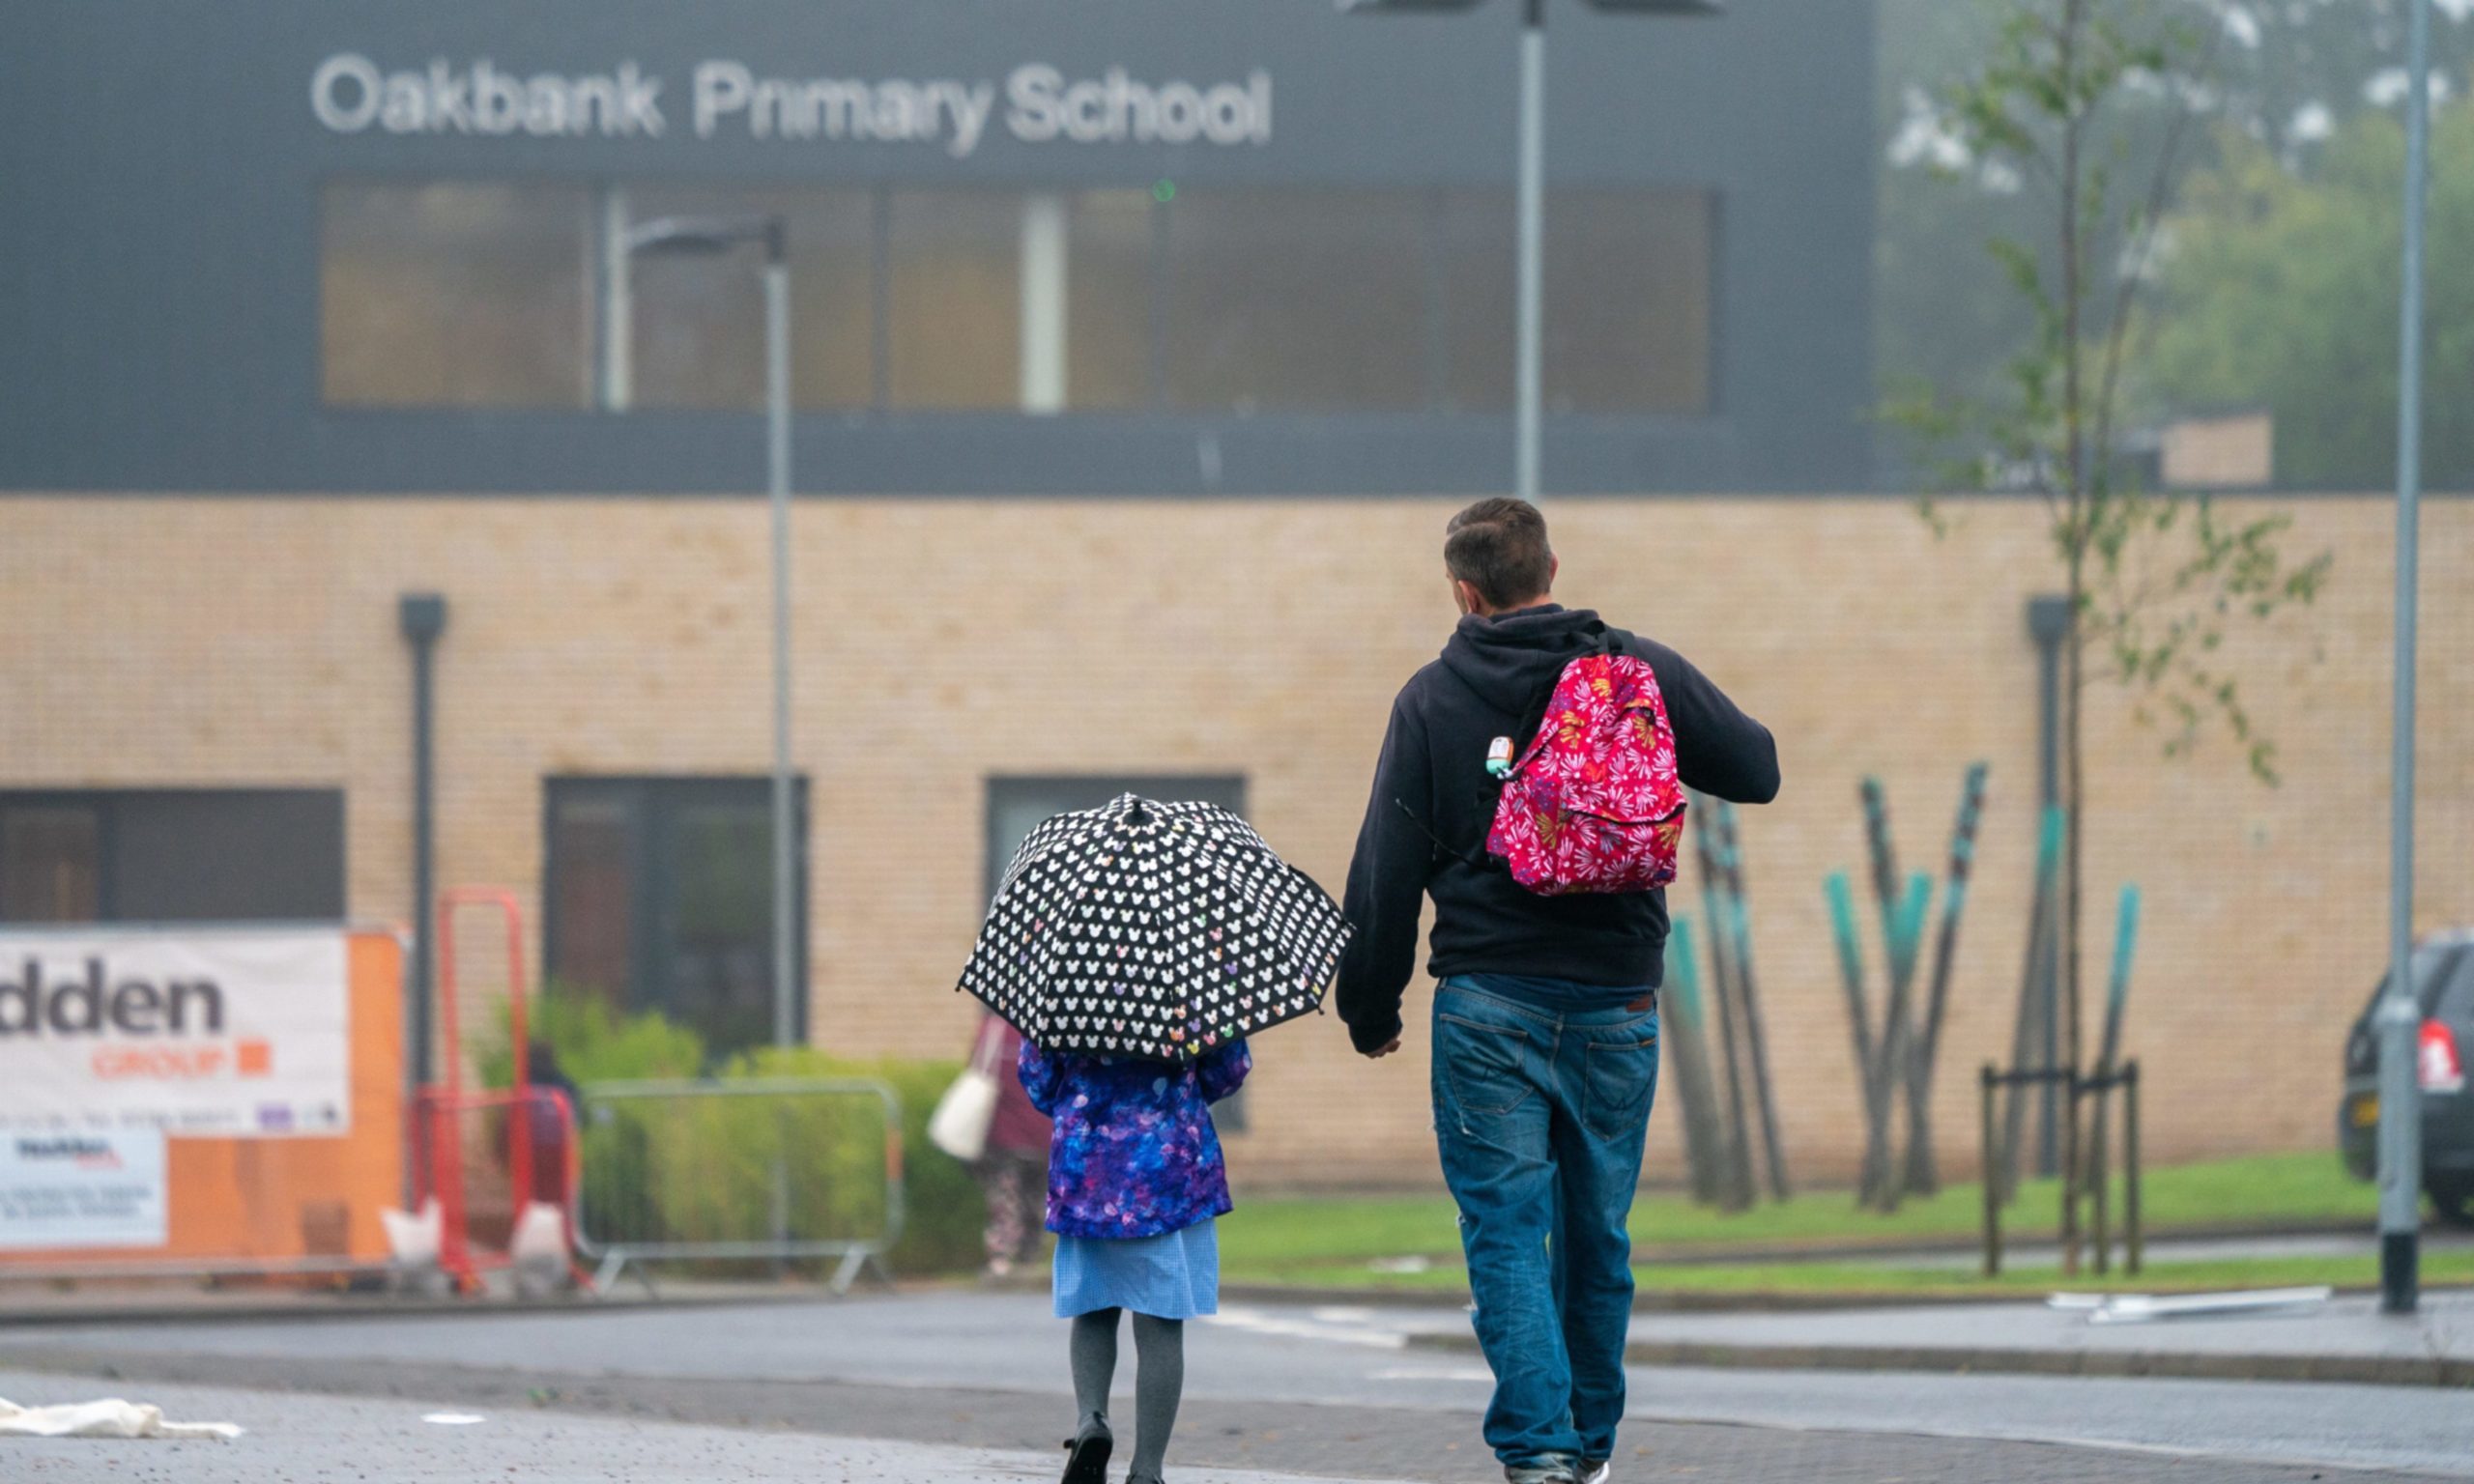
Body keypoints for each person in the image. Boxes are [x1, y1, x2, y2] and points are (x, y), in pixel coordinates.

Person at [1335, 497, 1779, 1484]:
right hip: (1616, 1001)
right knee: (1596, 1232)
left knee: (1504, 1228)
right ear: (1551, 569)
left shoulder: (1431, 701)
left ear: (1462, 588)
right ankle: (1589, 1446)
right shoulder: (1634, 670)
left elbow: (1385, 870)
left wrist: (1371, 1008)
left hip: (1487, 1002)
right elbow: (1756, 769)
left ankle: (1537, 1447)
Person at [1021, 1035, 1251, 1484]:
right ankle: (1147, 1470)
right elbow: (1228, 1069)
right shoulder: (1188, 979)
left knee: (1093, 1306)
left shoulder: (1071, 977)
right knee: (1161, 1319)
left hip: (1087, 1167)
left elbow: (1038, 1078)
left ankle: (1091, 1419)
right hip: (1166, 1172)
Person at [968, 1013, 1052, 1280]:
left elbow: (977, 1072)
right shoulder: (1047, 1029)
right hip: (1044, 1131)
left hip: (1006, 1133)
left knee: (1006, 1196)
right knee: (1036, 1195)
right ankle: (1030, 1253)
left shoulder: (995, 1029)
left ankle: (1001, 1257)